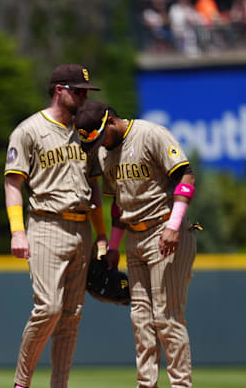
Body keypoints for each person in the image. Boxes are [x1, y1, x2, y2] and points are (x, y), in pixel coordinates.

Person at [74, 100, 198, 388]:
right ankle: (147, 383)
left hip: (165, 230)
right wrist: (114, 247)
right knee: (141, 318)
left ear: (111, 122)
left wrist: (174, 225)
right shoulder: (104, 154)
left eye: (99, 136)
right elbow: (119, 204)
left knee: (167, 317)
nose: (98, 145)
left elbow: (186, 175)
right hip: (135, 237)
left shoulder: (151, 134)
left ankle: (181, 384)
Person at [4, 64, 107, 388]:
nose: (83, 96)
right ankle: (22, 383)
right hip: (46, 223)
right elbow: (12, 183)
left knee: (71, 317)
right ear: (59, 89)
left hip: (82, 228)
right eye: (77, 90)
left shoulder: (85, 131)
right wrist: (17, 230)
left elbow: (94, 189)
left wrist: (102, 236)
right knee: (48, 308)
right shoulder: (29, 130)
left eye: (85, 92)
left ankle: (59, 384)